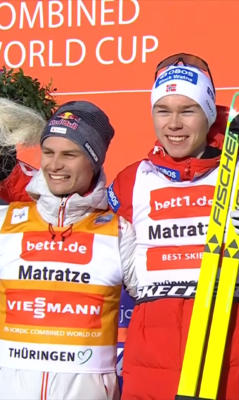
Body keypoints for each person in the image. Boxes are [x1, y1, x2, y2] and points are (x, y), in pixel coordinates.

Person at [0, 54, 239, 399]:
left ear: (209, 113)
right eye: (163, 111)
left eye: (188, 111)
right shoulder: (133, 180)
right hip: (150, 356)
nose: (174, 124)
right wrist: (8, 172)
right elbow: (69, 204)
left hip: (230, 348)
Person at [0, 99, 138, 400]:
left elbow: (165, 300)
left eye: (69, 154)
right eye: (48, 152)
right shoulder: (5, 224)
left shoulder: (119, 234)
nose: (54, 165)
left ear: (94, 161)